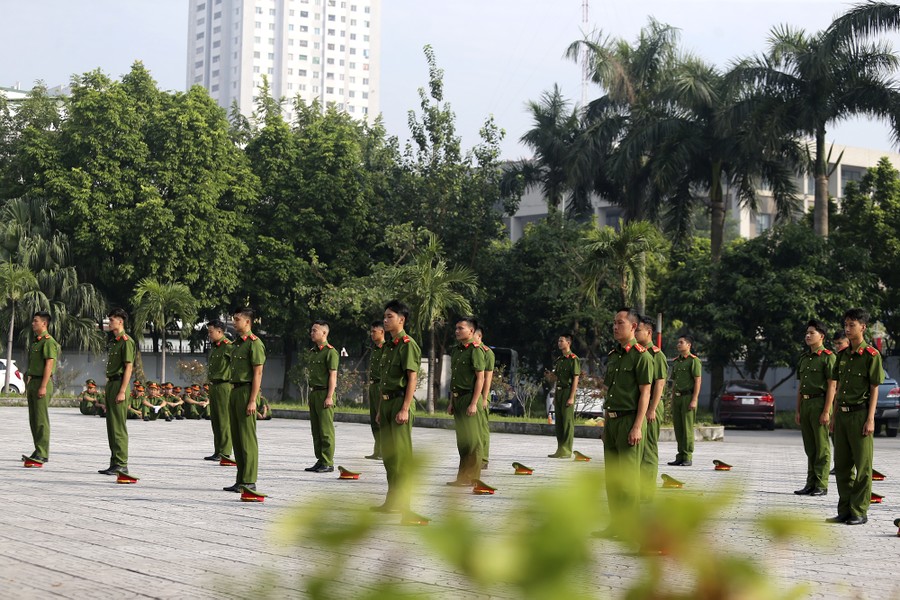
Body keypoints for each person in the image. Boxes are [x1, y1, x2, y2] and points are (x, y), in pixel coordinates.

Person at [597, 309, 653, 537]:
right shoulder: (613, 355)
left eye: (619, 323)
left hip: (630, 420)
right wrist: (605, 424)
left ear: (633, 327)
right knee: (613, 478)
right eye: (613, 323)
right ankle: (616, 525)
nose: (614, 326)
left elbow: (645, 394)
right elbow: (610, 390)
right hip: (612, 421)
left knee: (629, 481)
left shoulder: (642, 356)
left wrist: (638, 426)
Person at [827, 308, 883, 525]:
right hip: (841, 415)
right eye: (846, 324)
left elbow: (874, 387)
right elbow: (837, 385)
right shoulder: (841, 355)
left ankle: (859, 511)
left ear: (863, 327)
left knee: (863, 466)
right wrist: (832, 414)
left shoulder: (871, 355)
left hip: (860, 415)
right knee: (841, 465)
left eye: (852, 325)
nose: (848, 329)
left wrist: (871, 418)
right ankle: (845, 510)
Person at [371, 299, 421, 515]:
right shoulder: (388, 346)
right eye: (385, 316)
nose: (385, 320)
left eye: (389, 316)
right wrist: (382, 409)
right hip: (388, 402)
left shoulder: (408, 345)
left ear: (402, 320)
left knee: (401, 456)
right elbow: (384, 381)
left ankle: (406, 504)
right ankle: (392, 501)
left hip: (401, 402)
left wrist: (405, 408)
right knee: (390, 457)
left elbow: (412, 379)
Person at [223, 307, 266, 493]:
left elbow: (258, 373)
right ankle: (240, 479)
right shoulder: (237, 344)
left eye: (237, 319)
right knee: (237, 437)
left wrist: (252, 400)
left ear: (247, 322)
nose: (234, 322)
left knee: (247, 438)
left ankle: (249, 480)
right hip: (234, 390)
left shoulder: (254, 344)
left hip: (247, 391)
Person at [794, 319, 836, 497]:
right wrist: (797, 410)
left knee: (822, 447)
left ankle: (821, 484)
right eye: (807, 332)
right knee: (810, 447)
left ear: (822, 336)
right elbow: (801, 386)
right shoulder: (804, 358)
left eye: (812, 333)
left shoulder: (828, 357)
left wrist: (826, 411)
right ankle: (810, 483)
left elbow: (832, 386)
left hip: (820, 403)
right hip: (806, 404)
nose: (808, 335)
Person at [447, 317, 486, 486]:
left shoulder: (475, 350)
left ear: (471, 331)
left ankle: (471, 477)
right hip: (458, 398)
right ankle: (462, 477)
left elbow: (480, 378)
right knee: (463, 441)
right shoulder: (456, 350)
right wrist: (451, 402)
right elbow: (454, 379)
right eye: (456, 328)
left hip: (470, 398)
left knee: (473, 441)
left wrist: (474, 402)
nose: (457, 331)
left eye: (460, 328)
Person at [99, 308, 136, 476]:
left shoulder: (126, 341)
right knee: (111, 426)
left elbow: (129, 367)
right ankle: (114, 462)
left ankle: (122, 463)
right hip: (112, 384)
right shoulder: (114, 342)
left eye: (112, 320)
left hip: (120, 383)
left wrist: (122, 391)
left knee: (119, 426)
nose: (109, 322)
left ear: (120, 321)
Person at [636, 315, 667, 502]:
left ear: (648, 332)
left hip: (651, 406)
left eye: (638, 330)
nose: (635, 332)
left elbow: (659, 385)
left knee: (648, 449)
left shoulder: (657, 355)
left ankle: (647, 493)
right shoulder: (638, 353)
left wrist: (652, 409)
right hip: (641, 405)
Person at [23, 311, 59, 465]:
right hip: (34, 382)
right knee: (34, 419)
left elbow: (49, 364)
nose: (33, 323)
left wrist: (43, 386)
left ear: (44, 323)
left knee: (41, 419)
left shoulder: (48, 341)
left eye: (36, 321)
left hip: (42, 382)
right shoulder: (36, 342)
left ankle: (43, 453)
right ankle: (38, 449)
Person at [304, 320, 339, 473]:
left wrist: (330, 396)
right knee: (316, 429)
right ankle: (320, 459)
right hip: (315, 393)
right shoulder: (313, 352)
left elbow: (333, 376)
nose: (312, 333)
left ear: (324, 333)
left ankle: (328, 461)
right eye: (311, 330)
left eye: (314, 330)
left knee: (325, 430)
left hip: (325, 393)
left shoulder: (330, 352)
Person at [668, 334, 701, 466]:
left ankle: (687, 456)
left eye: (681, 342)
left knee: (687, 428)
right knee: (678, 428)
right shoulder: (676, 361)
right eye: (678, 342)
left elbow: (698, 381)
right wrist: (671, 398)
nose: (678, 345)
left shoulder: (694, 361)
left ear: (689, 345)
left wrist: (694, 399)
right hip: (677, 398)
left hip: (688, 397)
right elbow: (674, 381)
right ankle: (680, 455)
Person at [205, 319, 233, 461]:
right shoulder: (215, 347)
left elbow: (236, 365)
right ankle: (218, 450)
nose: (209, 335)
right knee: (215, 420)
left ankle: (225, 451)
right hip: (214, 385)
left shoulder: (229, 347)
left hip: (224, 385)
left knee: (224, 419)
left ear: (220, 331)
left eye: (211, 332)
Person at [549, 333, 580, 459]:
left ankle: (567, 450)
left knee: (567, 422)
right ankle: (560, 449)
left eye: (561, 341)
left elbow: (575, 379)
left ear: (568, 342)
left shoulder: (573, 359)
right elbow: (557, 380)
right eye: (558, 341)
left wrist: (571, 397)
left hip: (568, 391)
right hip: (559, 392)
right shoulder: (560, 360)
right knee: (559, 423)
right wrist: (555, 397)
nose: (559, 343)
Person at [473, 326, 495, 470]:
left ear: (479, 336)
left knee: (482, 428)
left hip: (481, 396)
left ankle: (484, 458)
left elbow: (487, 378)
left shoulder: (487, 352)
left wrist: (485, 398)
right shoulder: (471, 350)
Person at [365, 320, 387, 460]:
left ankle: (384, 451)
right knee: (374, 420)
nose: (372, 334)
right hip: (373, 386)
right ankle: (377, 450)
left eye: (375, 331)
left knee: (381, 419)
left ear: (382, 332)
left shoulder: (387, 348)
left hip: (381, 385)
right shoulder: (374, 349)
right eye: (371, 331)